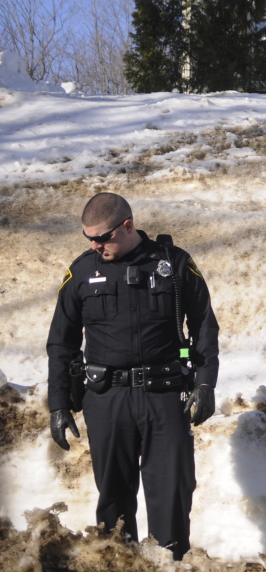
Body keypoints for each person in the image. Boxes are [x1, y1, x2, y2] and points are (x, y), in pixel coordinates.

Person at [47, 193, 219, 560]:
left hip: (165, 396)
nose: (95, 245)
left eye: (101, 237)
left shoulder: (173, 264)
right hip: (107, 400)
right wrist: (59, 403)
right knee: (113, 498)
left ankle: (169, 562)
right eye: (87, 238)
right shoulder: (81, 272)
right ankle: (117, 563)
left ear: (127, 226)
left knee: (172, 491)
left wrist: (205, 383)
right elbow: (61, 344)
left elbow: (204, 325)